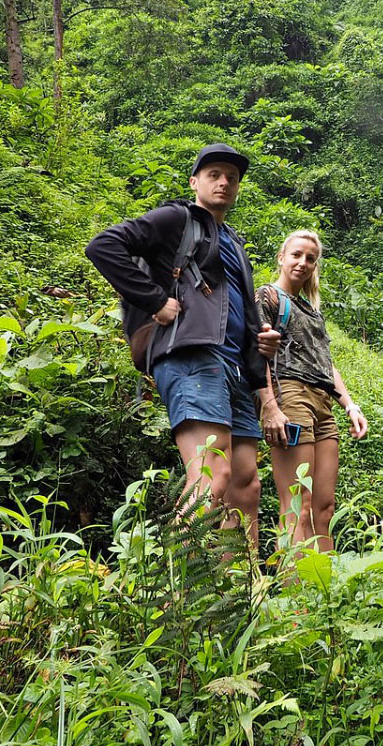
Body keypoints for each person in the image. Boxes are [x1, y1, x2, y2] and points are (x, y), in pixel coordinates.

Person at [86, 143, 284, 540]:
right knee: (212, 474)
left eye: (232, 177)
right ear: (195, 182)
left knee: (245, 485)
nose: (224, 182)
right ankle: (176, 590)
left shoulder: (234, 242)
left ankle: (236, 593)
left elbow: (243, 314)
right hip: (193, 358)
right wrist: (156, 299)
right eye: (214, 175)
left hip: (235, 371)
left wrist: (263, 368)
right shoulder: (177, 219)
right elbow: (103, 246)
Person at [257, 230, 369, 553]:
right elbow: (255, 353)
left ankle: (325, 596)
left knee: (324, 508)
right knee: (297, 505)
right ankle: (297, 599)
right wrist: (270, 406)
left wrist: (350, 406)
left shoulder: (312, 311)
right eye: (296, 255)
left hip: (323, 404)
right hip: (289, 395)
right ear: (281, 257)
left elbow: (327, 365)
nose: (303, 263)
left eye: (310, 258)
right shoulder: (268, 297)